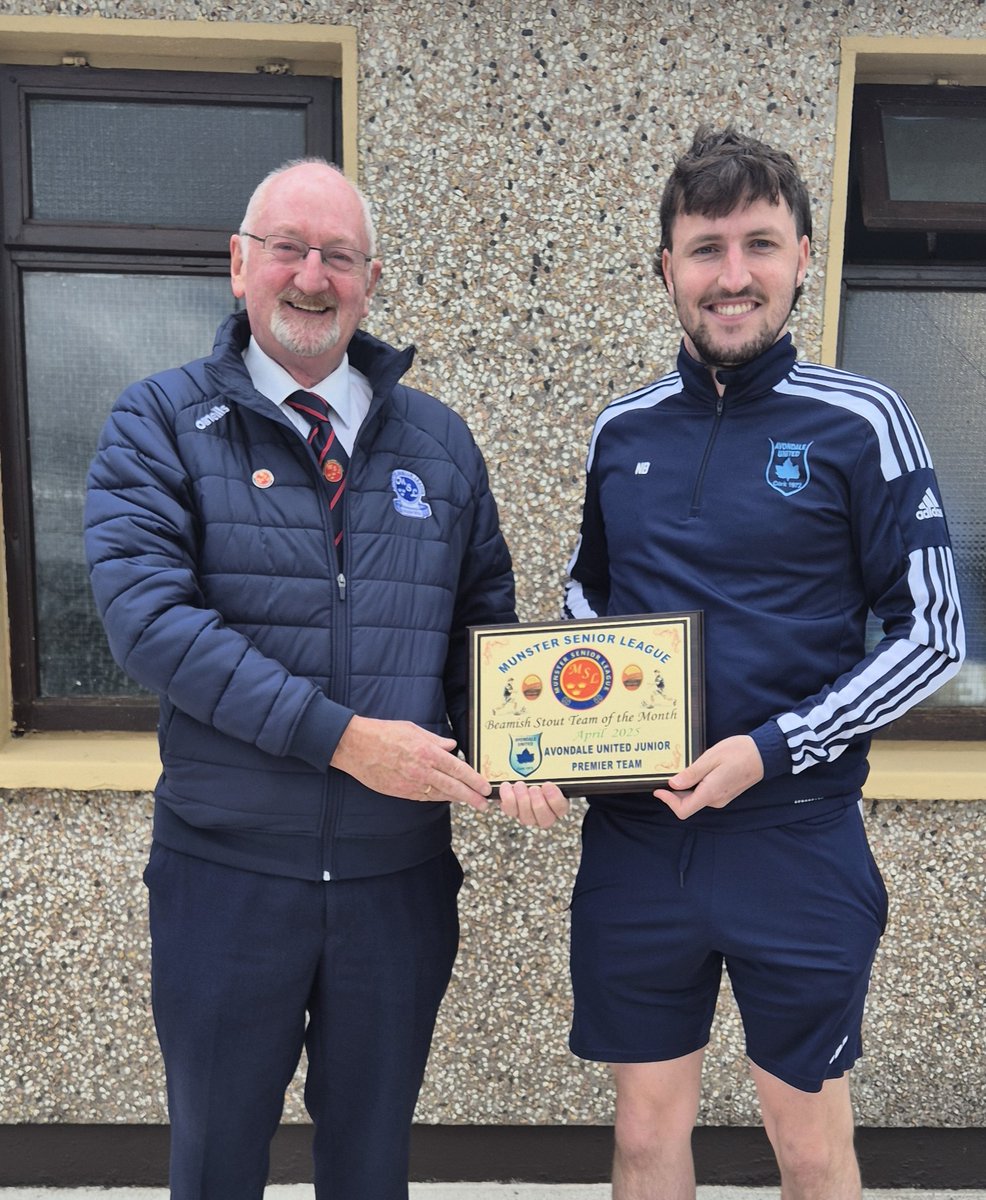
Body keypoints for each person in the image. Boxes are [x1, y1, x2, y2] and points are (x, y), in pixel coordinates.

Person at [84, 158, 565, 1200]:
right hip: (226, 876)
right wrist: (347, 739)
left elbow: (478, 633)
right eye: (288, 249)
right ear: (238, 264)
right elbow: (150, 622)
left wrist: (518, 752)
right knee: (216, 1161)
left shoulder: (437, 444)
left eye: (337, 256)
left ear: (370, 278)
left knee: (370, 1162)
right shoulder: (156, 423)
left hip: (395, 883)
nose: (312, 276)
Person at [533, 125, 965, 1199]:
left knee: (806, 1143)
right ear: (665, 269)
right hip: (635, 840)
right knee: (641, 1138)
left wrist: (770, 750)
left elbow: (933, 631)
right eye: (704, 248)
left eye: (758, 245)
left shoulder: (862, 421)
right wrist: (548, 730)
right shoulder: (618, 429)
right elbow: (584, 596)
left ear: (803, 256)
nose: (732, 277)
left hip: (793, 839)